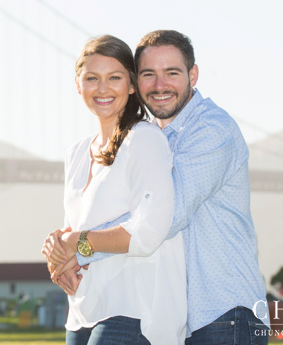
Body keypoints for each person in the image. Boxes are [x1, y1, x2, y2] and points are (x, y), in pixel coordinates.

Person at [48, 30, 269, 345]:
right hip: (181, 317)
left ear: (193, 75)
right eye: (148, 74)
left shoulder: (211, 129)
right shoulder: (147, 136)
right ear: (137, 82)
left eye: (172, 73)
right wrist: (62, 244)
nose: (159, 85)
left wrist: (78, 249)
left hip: (224, 311)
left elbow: (163, 217)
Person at [42, 35, 187, 345]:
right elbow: (77, 230)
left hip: (133, 310)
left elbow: (148, 232)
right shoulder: (76, 153)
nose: (103, 88)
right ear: (78, 85)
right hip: (81, 311)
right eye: (92, 78)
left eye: (115, 78)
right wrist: (56, 249)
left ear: (132, 85)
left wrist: (75, 243)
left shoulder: (144, 140)